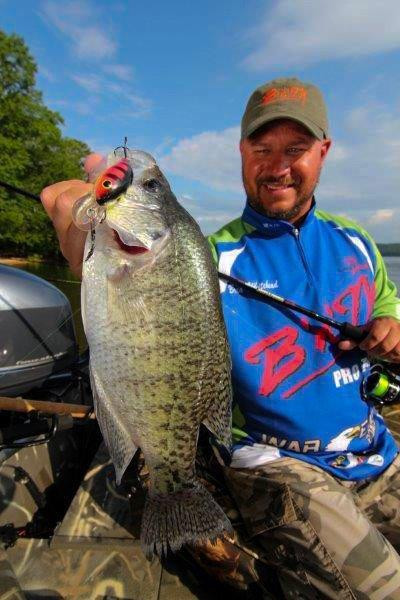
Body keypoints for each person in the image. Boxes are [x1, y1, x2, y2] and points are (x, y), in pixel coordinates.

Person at [41, 77, 400, 599]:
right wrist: (96, 192)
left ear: (323, 152)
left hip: (378, 452)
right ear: (241, 152)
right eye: (262, 148)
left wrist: (390, 324)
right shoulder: (203, 258)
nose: (278, 166)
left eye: (295, 150)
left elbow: (387, 300)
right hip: (281, 465)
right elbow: (61, 203)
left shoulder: (357, 241)